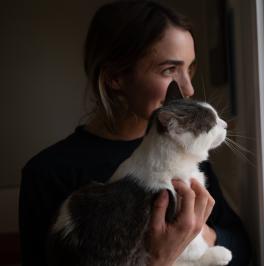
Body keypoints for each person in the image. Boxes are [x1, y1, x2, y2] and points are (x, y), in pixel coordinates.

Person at [18, 1, 251, 265]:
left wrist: (198, 233)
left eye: (190, 68)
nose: (188, 89)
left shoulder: (185, 152)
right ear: (115, 77)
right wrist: (159, 258)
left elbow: (240, 250)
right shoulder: (47, 172)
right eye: (169, 70)